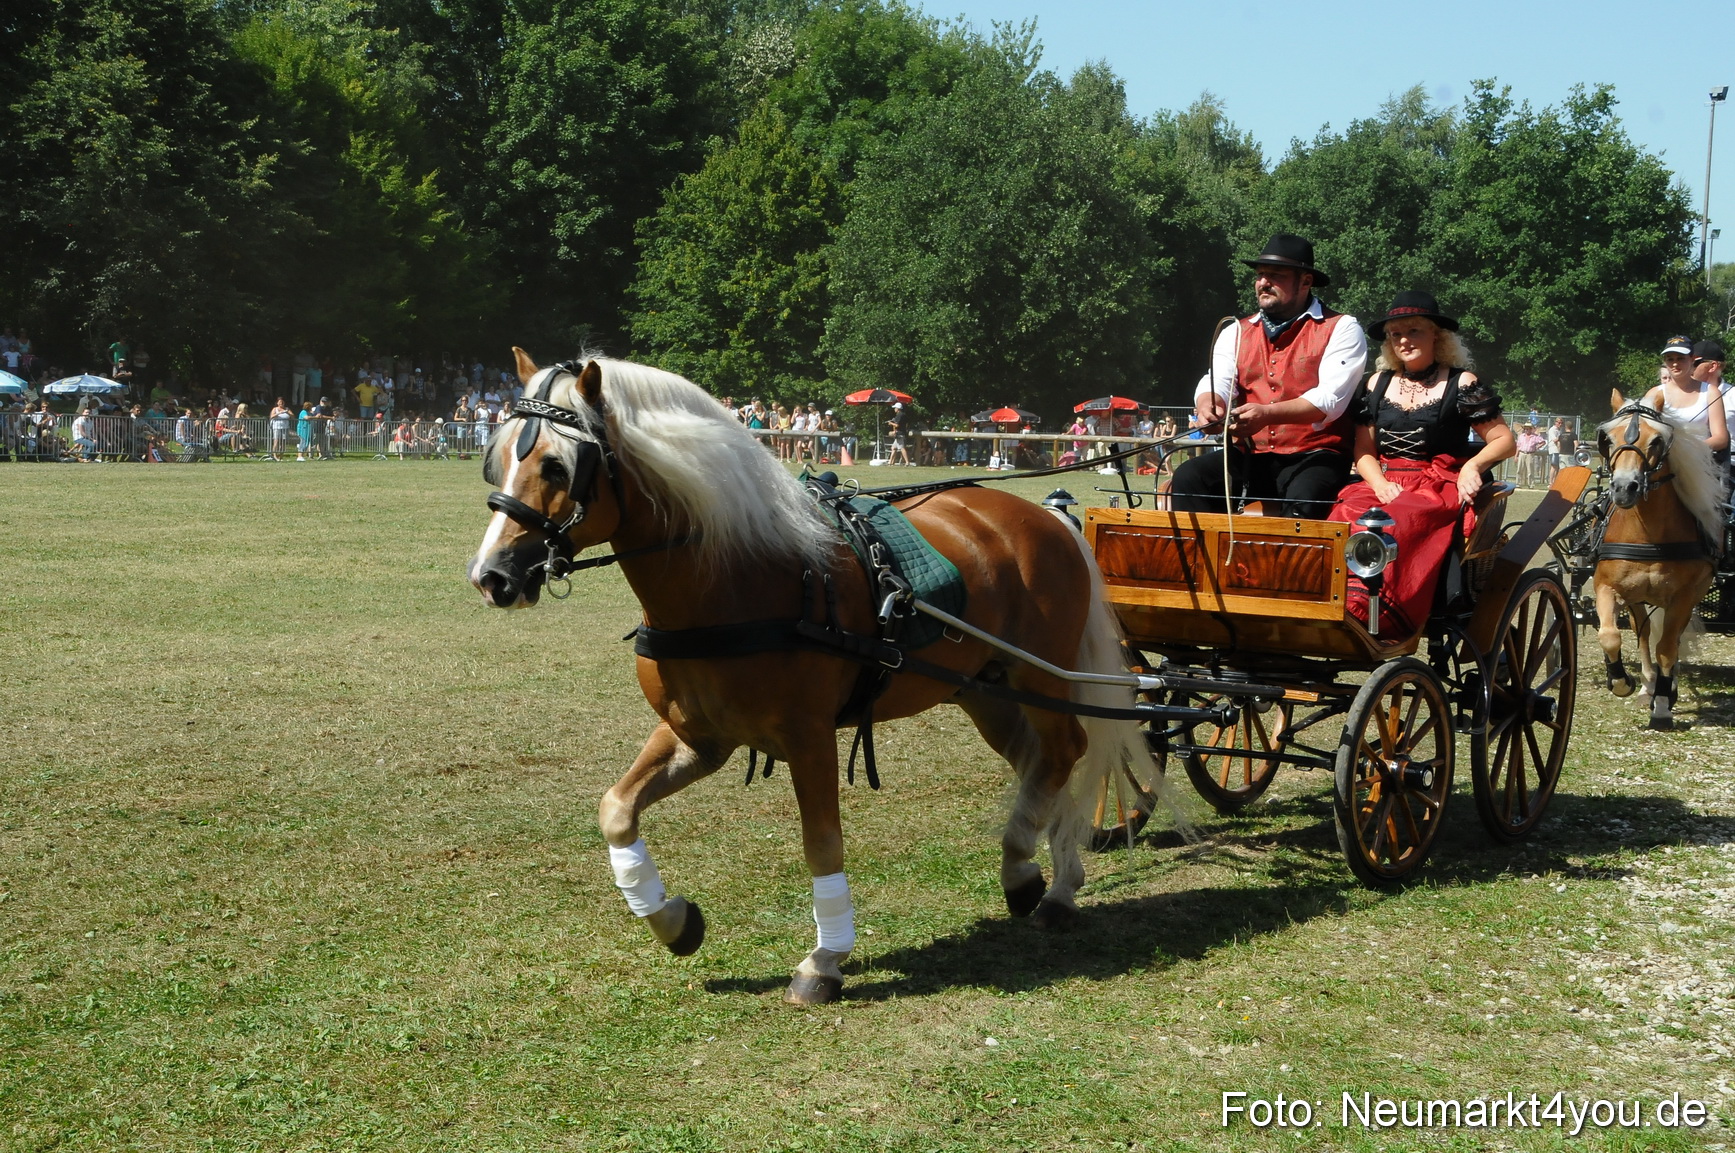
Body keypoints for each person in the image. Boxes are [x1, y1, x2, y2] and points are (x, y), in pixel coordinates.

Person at [1327, 292, 1515, 634]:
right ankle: (1338, 604)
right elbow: (1364, 451)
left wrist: (1472, 466)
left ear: (1436, 336)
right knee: (1343, 515)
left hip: (1435, 485)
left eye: (1414, 331)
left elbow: (1504, 440)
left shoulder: (1463, 382)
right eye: (1396, 334)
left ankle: (1385, 614)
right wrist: (1380, 484)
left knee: (1400, 520)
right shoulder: (1376, 383)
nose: (1403, 340)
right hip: (1383, 483)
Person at [1170, 233, 1369, 518]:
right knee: (1190, 478)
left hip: (1314, 456)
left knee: (1305, 501)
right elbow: (1218, 379)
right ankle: (1201, 563)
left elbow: (1329, 401)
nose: (1263, 282)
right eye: (1261, 275)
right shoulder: (1236, 331)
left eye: (1275, 275)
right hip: (1250, 456)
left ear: (1305, 281)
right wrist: (1209, 406)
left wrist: (1267, 414)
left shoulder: (1342, 328)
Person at [1643, 335, 1729, 457]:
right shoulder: (1653, 394)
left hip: (1699, 462)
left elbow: (1721, 438)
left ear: (1692, 359)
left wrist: (1688, 450)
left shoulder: (1711, 392)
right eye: (1670, 359)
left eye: (1680, 358)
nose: (1675, 364)